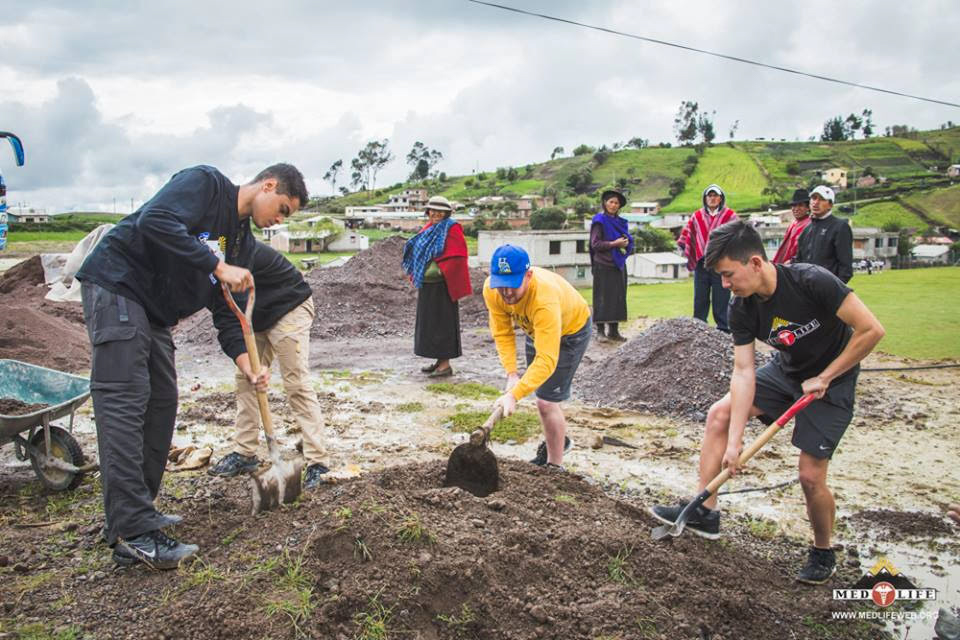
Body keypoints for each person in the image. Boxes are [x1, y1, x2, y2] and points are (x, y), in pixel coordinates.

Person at [76, 163, 307, 569]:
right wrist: (215, 266)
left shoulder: (240, 244)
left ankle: (133, 515)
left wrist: (247, 365)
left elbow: (225, 311)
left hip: (154, 313)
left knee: (162, 402)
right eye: (283, 209)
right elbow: (156, 220)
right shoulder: (207, 184)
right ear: (268, 185)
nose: (279, 220)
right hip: (119, 285)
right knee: (126, 405)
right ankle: (134, 535)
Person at [650, 220, 885, 585]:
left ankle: (822, 550)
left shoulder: (812, 281)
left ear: (755, 263)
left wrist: (826, 376)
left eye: (729, 275)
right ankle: (706, 510)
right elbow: (743, 372)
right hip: (786, 372)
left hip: (833, 379)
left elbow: (871, 330)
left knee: (809, 476)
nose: (725, 285)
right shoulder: (741, 307)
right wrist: (734, 443)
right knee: (720, 415)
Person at [207, 240, 330, 489]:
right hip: (254, 316)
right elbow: (225, 317)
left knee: (295, 381)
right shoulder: (202, 273)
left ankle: (318, 461)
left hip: (289, 305)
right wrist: (247, 365)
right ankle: (245, 453)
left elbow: (232, 306)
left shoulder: (229, 251)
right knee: (246, 379)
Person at [483, 245, 591, 469]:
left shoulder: (543, 300)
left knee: (545, 401)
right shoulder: (492, 291)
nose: (507, 293)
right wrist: (512, 373)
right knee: (541, 395)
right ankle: (559, 441)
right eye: (501, 285)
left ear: (528, 275)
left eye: (513, 284)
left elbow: (547, 359)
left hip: (570, 331)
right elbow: (502, 331)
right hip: (535, 329)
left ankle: (554, 466)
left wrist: (513, 396)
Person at [401, 195, 472, 378]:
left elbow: (458, 255)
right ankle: (439, 361)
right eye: (432, 210)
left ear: (446, 213)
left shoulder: (452, 228)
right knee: (430, 325)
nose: (435, 213)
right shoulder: (429, 228)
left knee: (443, 325)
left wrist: (440, 269)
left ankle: (445, 366)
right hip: (428, 285)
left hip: (443, 286)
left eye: (440, 211)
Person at [678, 184, 738, 332]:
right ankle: (698, 328)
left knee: (721, 297)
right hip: (701, 263)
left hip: (721, 264)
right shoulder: (697, 216)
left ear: (721, 198)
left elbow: (738, 236)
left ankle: (724, 329)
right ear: (705, 198)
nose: (712, 198)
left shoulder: (730, 216)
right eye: (709, 196)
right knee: (700, 297)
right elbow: (687, 236)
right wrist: (687, 247)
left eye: (715, 195)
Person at [589, 189, 634, 342]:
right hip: (603, 264)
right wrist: (615, 244)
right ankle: (600, 332)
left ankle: (614, 331)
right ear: (605, 203)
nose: (614, 205)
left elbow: (625, 239)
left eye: (617, 203)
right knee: (602, 297)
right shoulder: (599, 221)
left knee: (617, 297)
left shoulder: (621, 222)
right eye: (611, 202)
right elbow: (595, 244)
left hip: (618, 264)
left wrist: (626, 243)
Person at [796, 186, 853, 283]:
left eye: (822, 199)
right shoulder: (807, 230)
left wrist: (834, 290)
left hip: (828, 290)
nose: (816, 202)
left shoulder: (840, 227)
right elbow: (799, 261)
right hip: (806, 290)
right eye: (814, 198)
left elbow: (845, 268)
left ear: (830, 205)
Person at [772, 189, 812, 265]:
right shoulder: (793, 224)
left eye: (800, 205)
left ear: (808, 208)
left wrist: (791, 262)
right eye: (794, 205)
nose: (796, 208)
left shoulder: (809, 225)